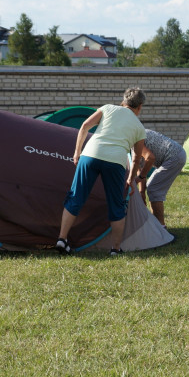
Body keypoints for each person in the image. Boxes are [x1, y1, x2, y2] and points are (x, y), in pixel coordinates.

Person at [57, 87, 147, 256]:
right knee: (116, 204)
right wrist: (131, 179)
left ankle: (62, 239)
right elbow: (136, 158)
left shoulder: (107, 108)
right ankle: (115, 249)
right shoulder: (139, 127)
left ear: (124, 101)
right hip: (115, 162)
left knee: (75, 197)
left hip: (90, 155)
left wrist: (77, 152)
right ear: (140, 106)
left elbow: (85, 126)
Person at [136, 129, 186, 226]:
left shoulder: (133, 137)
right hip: (176, 154)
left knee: (154, 189)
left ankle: (160, 228)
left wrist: (141, 177)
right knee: (152, 187)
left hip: (174, 156)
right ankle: (156, 226)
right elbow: (139, 168)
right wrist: (141, 192)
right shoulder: (132, 134)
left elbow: (150, 158)